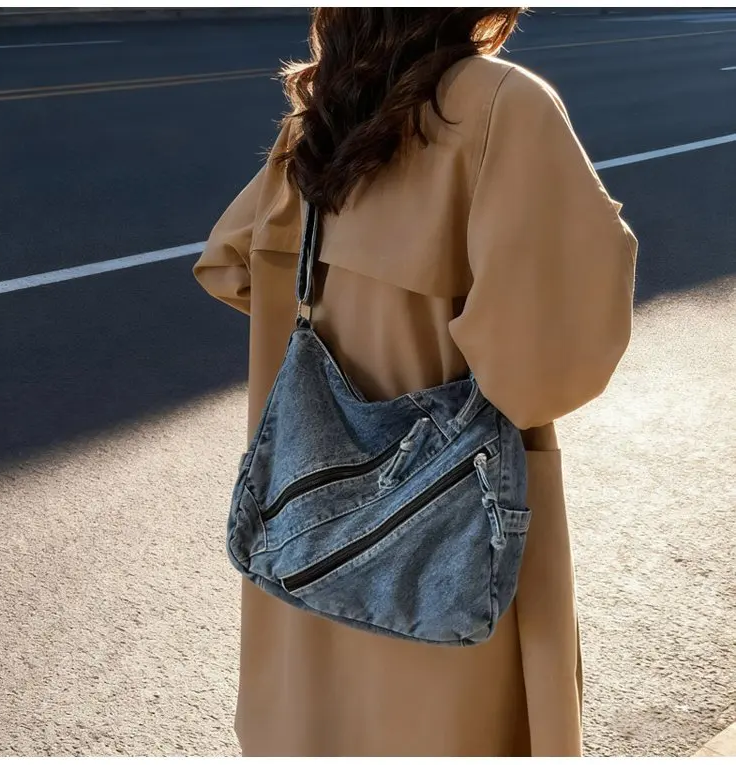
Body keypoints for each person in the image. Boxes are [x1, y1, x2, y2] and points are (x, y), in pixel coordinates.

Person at [193, 8, 637, 757]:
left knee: (315, 725)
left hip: (310, 545)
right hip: (445, 555)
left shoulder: (319, 119)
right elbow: (546, 367)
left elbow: (232, 265)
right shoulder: (502, 106)